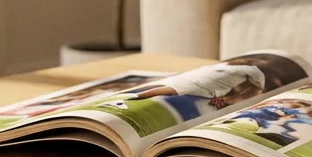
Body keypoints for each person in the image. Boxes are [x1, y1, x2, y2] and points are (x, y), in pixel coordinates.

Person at [102, 59, 267, 110]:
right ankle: (127, 99)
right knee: (164, 90)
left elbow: (255, 90)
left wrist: (229, 100)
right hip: (191, 79)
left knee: (168, 92)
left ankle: (128, 101)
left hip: (208, 88)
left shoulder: (253, 70)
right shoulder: (224, 65)